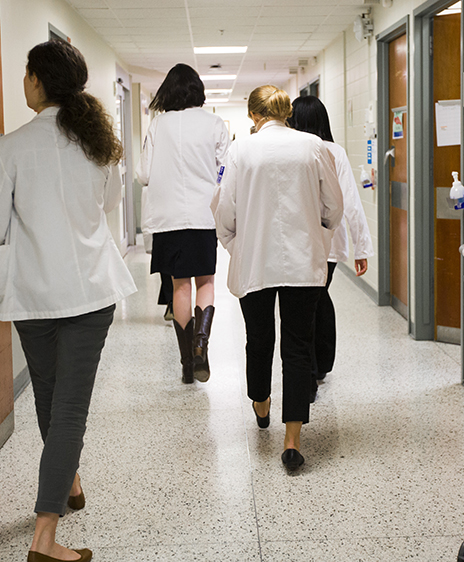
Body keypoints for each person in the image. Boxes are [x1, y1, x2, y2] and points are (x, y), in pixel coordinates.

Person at [0, 40, 136, 562]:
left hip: (34, 296)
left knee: (49, 398)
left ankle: (62, 494)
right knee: (68, 410)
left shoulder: (8, 148)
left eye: (26, 74)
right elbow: (106, 206)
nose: (23, 82)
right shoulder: (96, 143)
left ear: (39, 82)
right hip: (89, 292)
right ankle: (46, 534)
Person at [213, 85, 343, 470]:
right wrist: (318, 231)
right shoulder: (313, 146)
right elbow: (333, 206)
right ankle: (293, 437)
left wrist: (236, 243)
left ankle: (262, 401)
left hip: (254, 258)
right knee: (299, 345)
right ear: (286, 113)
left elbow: (225, 208)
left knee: (259, 338)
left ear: (254, 116)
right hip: (303, 261)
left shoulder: (241, 150)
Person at [137, 63, 230, 384]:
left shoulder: (157, 125)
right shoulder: (214, 123)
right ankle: (202, 346)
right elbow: (225, 170)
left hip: (168, 219)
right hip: (204, 215)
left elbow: (143, 175)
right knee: (206, 283)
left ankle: (186, 364)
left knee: (180, 285)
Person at [289, 96, 374, 398]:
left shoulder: (292, 151)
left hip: (299, 242)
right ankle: (320, 364)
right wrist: (360, 248)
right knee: (319, 296)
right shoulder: (334, 151)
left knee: (308, 303)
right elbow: (349, 202)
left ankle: (313, 368)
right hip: (330, 243)